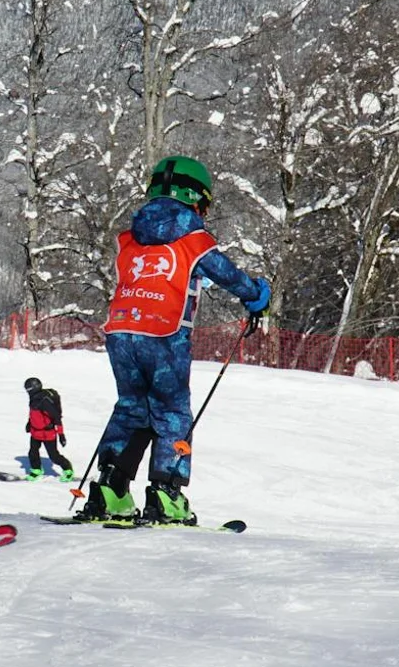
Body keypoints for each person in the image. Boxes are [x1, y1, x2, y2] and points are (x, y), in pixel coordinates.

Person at [76, 156, 270, 525]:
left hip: (120, 330)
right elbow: (227, 274)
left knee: (132, 406)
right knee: (171, 410)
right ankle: (166, 494)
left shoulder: (129, 237)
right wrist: (255, 294)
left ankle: (110, 491)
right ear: (196, 199)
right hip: (165, 334)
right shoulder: (194, 239)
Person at [22, 377, 73, 479]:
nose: (27, 392)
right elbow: (34, 413)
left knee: (54, 456)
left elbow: (56, 418)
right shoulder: (34, 399)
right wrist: (29, 423)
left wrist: (61, 435)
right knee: (33, 452)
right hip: (35, 432)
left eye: (28, 389)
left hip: (48, 433)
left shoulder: (44, 401)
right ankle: (36, 470)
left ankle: (68, 469)